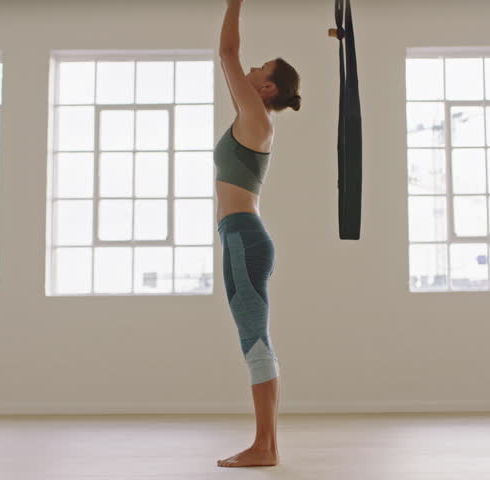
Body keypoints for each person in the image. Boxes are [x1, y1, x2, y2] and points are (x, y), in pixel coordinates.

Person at [214, 0, 301, 468]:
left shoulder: (258, 117)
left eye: (260, 67)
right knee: (253, 339)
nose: (249, 66)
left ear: (266, 87)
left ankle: (265, 446)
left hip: (244, 237)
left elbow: (227, 51)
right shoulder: (250, 117)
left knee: (255, 340)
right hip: (238, 236)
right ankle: (264, 443)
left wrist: (234, 3)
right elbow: (232, 59)